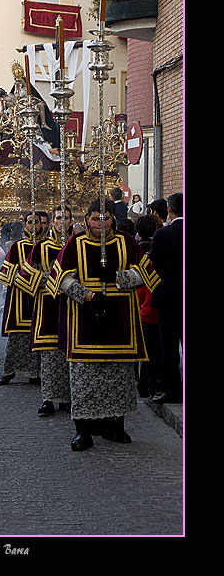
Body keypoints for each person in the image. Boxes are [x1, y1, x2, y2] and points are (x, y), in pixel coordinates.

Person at [46, 198, 160, 451]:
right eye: (95, 218)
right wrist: (87, 295)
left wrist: (118, 278)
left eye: (105, 218)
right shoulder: (76, 244)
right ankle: (83, 431)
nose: (100, 223)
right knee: (84, 379)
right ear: (87, 219)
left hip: (119, 320)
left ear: (112, 219)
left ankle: (115, 427)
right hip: (85, 319)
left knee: (117, 378)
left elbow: (147, 273)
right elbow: (60, 278)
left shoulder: (126, 242)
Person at [15, 206, 73, 416]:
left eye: (65, 218)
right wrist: (49, 280)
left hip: (72, 309)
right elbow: (24, 277)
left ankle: (67, 398)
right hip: (47, 307)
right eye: (58, 218)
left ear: (71, 220)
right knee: (49, 357)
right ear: (52, 222)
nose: (61, 222)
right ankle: (48, 399)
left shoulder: (77, 245)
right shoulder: (41, 248)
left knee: (69, 355)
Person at [0, 212, 43, 386]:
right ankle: (10, 371)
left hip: (40, 298)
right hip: (19, 298)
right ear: (25, 224)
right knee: (17, 338)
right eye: (30, 222)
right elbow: (5, 272)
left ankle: (35, 372)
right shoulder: (17, 247)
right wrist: (22, 280)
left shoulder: (45, 246)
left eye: (36, 222)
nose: (33, 225)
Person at [148, 192, 183, 405]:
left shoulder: (163, 234)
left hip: (168, 297)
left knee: (169, 347)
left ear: (169, 210)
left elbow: (152, 264)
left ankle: (173, 391)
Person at [134, 214, 163, 399]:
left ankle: (145, 385)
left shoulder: (135, 250)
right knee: (156, 351)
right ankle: (152, 385)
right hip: (154, 305)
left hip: (143, 305)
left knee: (147, 351)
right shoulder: (158, 249)